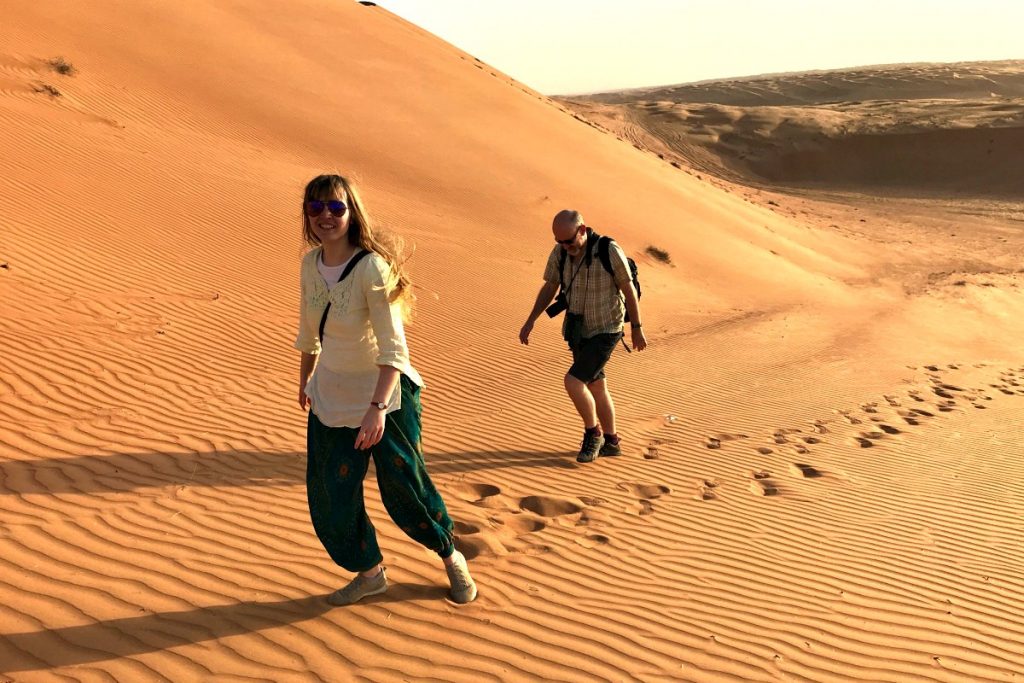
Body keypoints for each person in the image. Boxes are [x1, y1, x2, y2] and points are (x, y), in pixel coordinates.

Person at [294, 174, 476, 605]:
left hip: (384, 397)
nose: (326, 216)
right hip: (331, 397)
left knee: (405, 489)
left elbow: (394, 348)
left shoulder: (370, 267)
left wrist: (377, 408)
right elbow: (308, 331)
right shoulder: (308, 265)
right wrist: (305, 379)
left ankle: (451, 557)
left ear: (352, 211)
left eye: (336, 207)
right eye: (316, 207)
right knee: (330, 497)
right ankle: (371, 572)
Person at [519, 210, 647, 463]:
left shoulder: (608, 250)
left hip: (606, 328)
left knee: (573, 381)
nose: (565, 246)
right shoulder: (560, 253)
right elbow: (550, 286)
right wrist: (531, 318)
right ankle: (612, 441)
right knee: (596, 386)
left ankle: (593, 433)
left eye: (569, 241)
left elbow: (628, 289)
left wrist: (637, 326)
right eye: (559, 242)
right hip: (578, 329)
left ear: (582, 230)